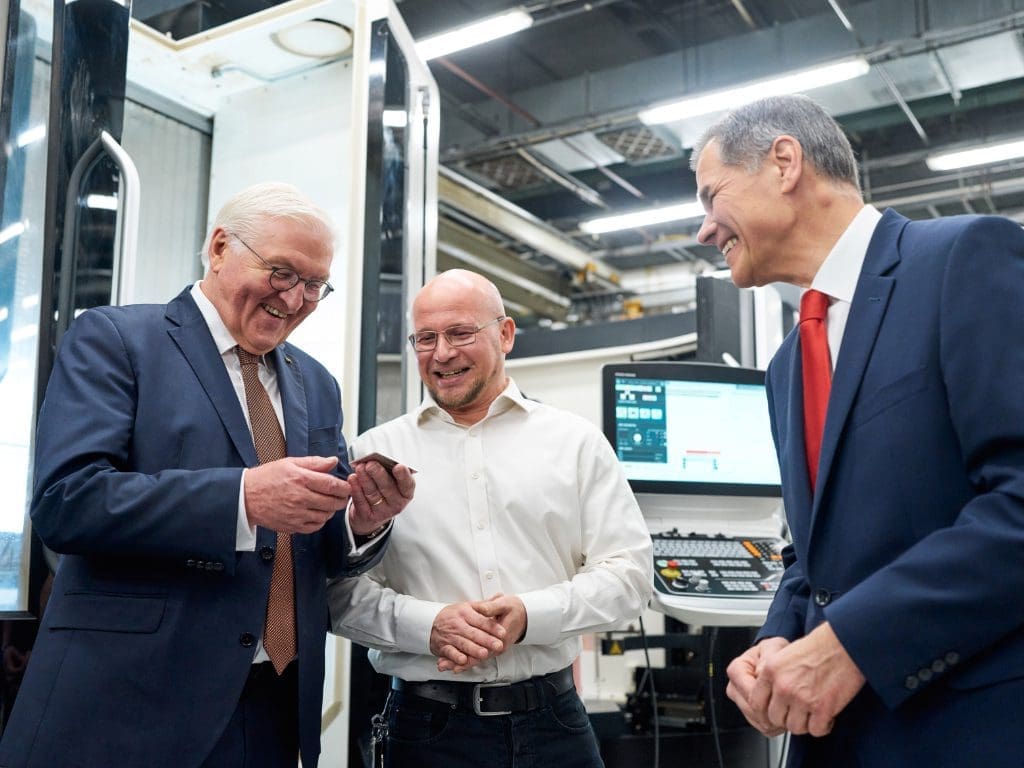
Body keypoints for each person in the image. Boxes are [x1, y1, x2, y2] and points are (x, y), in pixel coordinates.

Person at [0, 182, 415, 768]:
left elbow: (313, 548)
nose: (295, 298)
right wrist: (242, 499)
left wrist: (360, 522)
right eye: (282, 272)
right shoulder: (116, 339)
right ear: (220, 248)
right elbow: (67, 501)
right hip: (128, 704)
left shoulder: (317, 383)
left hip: (272, 710)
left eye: (314, 284)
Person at [689, 93, 1024, 767]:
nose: (704, 231)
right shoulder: (786, 365)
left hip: (963, 731)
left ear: (785, 163)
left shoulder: (963, 259)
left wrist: (853, 644)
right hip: (834, 739)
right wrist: (777, 638)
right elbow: (813, 556)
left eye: (711, 196)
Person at [328, 269, 653, 768]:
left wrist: (529, 615)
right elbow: (337, 594)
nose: (441, 354)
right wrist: (429, 626)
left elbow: (629, 577)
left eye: (460, 333)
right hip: (426, 731)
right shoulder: (374, 455)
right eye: (425, 338)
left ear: (505, 334)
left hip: (556, 726)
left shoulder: (575, 443)